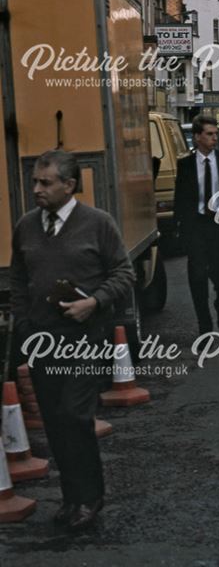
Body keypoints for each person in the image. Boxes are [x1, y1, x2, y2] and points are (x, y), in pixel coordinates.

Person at [10, 150, 135, 531]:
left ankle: (89, 498)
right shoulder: (27, 226)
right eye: (34, 181)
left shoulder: (98, 223)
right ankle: (70, 498)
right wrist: (25, 325)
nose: (36, 190)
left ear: (70, 185)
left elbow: (124, 272)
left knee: (74, 414)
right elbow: (18, 279)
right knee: (53, 419)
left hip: (86, 338)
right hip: (44, 342)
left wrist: (93, 303)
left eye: (45, 183)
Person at [174, 114, 219, 335]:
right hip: (196, 226)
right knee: (197, 278)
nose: (215, 138)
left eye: (216, 134)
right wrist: (182, 228)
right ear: (197, 137)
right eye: (209, 134)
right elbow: (181, 199)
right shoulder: (185, 165)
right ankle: (204, 327)